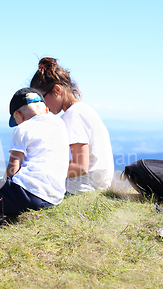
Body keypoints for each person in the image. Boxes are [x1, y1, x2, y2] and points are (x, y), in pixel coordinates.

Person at [0, 87, 69, 234]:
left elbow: (13, 171)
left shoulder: (23, 128)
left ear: (18, 115)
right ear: (46, 110)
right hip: (55, 196)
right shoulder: (60, 125)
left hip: (29, 194)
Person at [30, 57, 114, 194]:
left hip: (83, 188)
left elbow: (81, 166)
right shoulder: (80, 110)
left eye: (41, 99)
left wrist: (42, 172)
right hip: (91, 186)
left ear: (57, 90)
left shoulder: (74, 115)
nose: (41, 106)